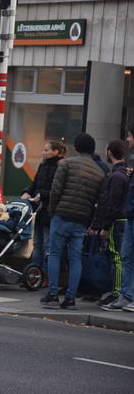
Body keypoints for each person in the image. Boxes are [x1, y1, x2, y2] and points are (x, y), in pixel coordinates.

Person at [41, 133, 107, 310]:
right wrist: (95, 224)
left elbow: (56, 190)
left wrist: (52, 211)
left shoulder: (66, 164)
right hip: (81, 220)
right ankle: (70, 299)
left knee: (54, 254)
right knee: (75, 259)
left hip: (61, 215)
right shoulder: (99, 172)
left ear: (76, 148)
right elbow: (101, 202)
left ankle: (53, 295)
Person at [21, 141, 67, 281]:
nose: (43, 152)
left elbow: (57, 190)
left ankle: (45, 276)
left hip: (49, 210)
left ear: (56, 152)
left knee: (48, 245)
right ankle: (34, 274)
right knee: (36, 244)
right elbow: (35, 183)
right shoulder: (43, 165)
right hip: (39, 210)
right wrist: (27, 192)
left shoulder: (61, 167)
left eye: (46, 150)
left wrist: (41, 195)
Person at [103, 125, 134, 312]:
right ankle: (126, 295)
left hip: (130, 214)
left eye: (130, 136)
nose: (128, 140)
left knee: (127, 256)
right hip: (130, 215)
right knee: (126, 256)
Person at [96, 140, 129, 306]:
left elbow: (112, 204)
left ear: (109, 152)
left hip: (117, 220)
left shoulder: (115, 176)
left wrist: (105, 226)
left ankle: (117, 292)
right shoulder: (125, 173)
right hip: (123, 218)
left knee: (117, 256)